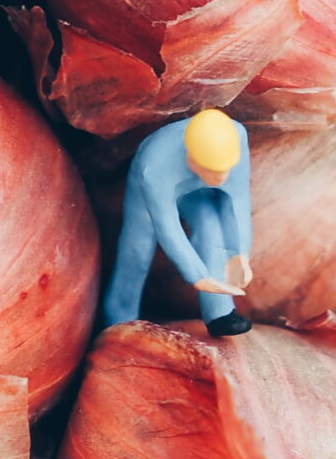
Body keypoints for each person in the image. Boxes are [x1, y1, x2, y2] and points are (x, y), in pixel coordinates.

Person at [101, 110, 254, 337]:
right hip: (148, 195)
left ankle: (220, 313)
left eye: (226, 169)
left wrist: (240, 254)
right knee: (137, 250)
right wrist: (197, 276)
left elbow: (237, 201)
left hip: (197, 190)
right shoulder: (153, 166)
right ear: (191, 158)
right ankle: (117, 319)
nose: (222, 178)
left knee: (210, 226)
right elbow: (167, 226)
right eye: (214, 171)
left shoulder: (237, 137)